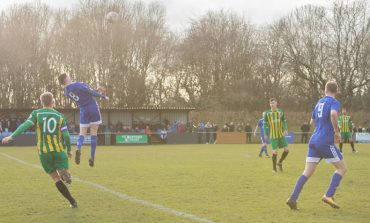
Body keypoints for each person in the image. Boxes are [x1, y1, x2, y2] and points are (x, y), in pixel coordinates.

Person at [1, 92, 77, 208]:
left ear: (42, 102)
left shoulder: (36, 113)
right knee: (63, 172)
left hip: (44, 152)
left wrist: (11, 136)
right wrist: (69, 150)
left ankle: (72, 201)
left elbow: (25, 125)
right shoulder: (59, 116)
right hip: (59, 150)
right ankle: (65, 174)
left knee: (55, 178)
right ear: (53, 102)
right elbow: (66, 135)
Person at [286, 81, 347, 210]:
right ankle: (329, 195)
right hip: (325, 141)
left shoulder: (319, 102)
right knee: (342, 168)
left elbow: (312, 121)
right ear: (336, 91)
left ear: (325, 90)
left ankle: (292, 198)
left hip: (313, 140)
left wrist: (321, 127)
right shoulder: (334, 102)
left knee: (307, 172)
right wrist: (336, 131)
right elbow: (333, 114)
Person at [58, 73, 109, 167]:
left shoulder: (66, 92)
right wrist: (102, 96)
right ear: (66, 79)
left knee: (82, 134)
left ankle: (78, 148)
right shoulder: (78, 84)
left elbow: (87, 92)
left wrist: (96, 90)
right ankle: (92, 158)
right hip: (92, 107)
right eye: (68, 76)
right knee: (94, 133)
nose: (70, 76)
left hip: (83, 110)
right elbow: (89, 92)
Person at [263, 98, 289, 173]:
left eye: (273, 103)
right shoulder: (267, 113)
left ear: (276, 103)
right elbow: (264, 124)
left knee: (287, 150)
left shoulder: (280, 111)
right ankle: (274, 169)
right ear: (269, 104)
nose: (272, 104)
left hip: (281, 135)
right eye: (271, 103)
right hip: (273, 135)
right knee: (275, 152)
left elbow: (284, 121)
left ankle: (279, 162)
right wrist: (265, 133)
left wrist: (285, 129)